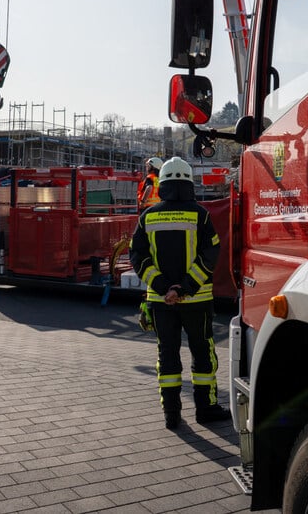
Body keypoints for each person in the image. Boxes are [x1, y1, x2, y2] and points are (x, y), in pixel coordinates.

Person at [129, 156, 230, 429]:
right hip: (197, 300)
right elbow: (211, 253)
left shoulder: (147, 216)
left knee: (167, 355)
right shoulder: (201, 214)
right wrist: (185, 288)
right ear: (189, 182)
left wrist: (164, 288)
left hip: (161, 301)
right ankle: (206, 409)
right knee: (203, 354)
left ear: (162, 183)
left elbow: (137, 256)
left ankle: (172, 415)